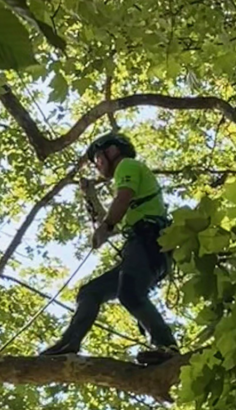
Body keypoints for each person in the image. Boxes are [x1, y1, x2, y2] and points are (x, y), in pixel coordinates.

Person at [40, 132, 179, 365]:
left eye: (98, 158)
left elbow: (122, 201)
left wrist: (105, 227)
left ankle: (167, 347)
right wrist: (91, 197)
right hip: (143, 247)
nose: (97, 165)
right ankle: (69, 343)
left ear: (112, 151)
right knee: (90, 292)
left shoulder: (127, 165)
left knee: (130, 293)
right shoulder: (129, 177)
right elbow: (113, 220)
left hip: (149, 242)